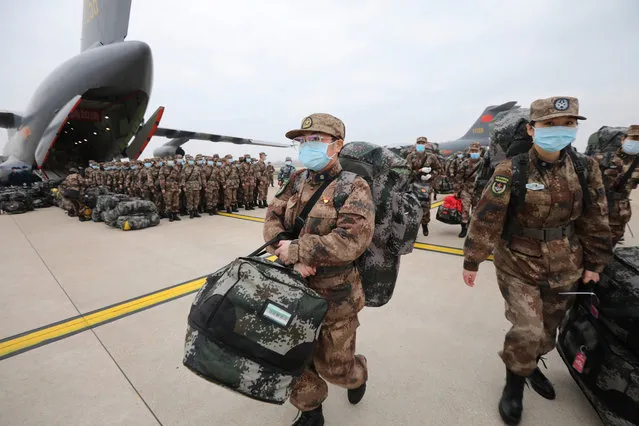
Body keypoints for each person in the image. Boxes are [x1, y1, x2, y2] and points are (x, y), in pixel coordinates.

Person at [462, 96, 612, 425]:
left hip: (565, 264)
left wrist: (594, 263)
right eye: (549, 125)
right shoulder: (510, 171)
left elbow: (596, 220)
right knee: (527, 329)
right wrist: (472, 259)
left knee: (547, 332)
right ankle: (513, 386)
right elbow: (486, 219)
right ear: (532, 129)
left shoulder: (586, 169)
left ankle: (530, 366)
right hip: (518, 262)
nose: (559, 130)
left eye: (568, 124)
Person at [263, 113, 374, 426]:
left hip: (335, 295)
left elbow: (353, 240)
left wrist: (301, 249)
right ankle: (310, 410)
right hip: (291, 286)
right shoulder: (296, 180)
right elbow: (272, 219)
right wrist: (290, 256)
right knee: (292, 357)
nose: (306, 146)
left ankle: (358, 374)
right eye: (303, 140)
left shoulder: (354, 187)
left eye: (315, 140)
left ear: (337, 145)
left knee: (335, 367)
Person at [594, 124, 639, 245]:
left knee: (612, 242)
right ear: (623, 139)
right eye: (633, 138)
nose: (636, 142)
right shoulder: (602, 158)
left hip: (620, 212)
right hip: (597, 207)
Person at [405, 137, 441, 236]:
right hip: (413, 185)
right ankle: (414, 228)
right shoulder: (410, 156)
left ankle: (425, 225)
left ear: (426, 144)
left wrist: (431, 175)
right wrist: (419, 171)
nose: (421, 144)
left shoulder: (431, 157)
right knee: (413, 207)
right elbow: (406, 172)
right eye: (419, 143)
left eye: (423, 143)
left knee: (425, 207)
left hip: (426, 185)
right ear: (416, 144)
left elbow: (439, 169)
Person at [455, 142, 484, 238]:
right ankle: (464, 229)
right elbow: (459, 178)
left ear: (480, 151)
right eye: (472, 151)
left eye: (476, 151)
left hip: (479, 190)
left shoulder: (484, 163)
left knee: (477, 211)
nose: (474, 152)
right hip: (466, 190)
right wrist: (456, 190)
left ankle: (474, 229)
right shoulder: (465, 163)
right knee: (465, 210)